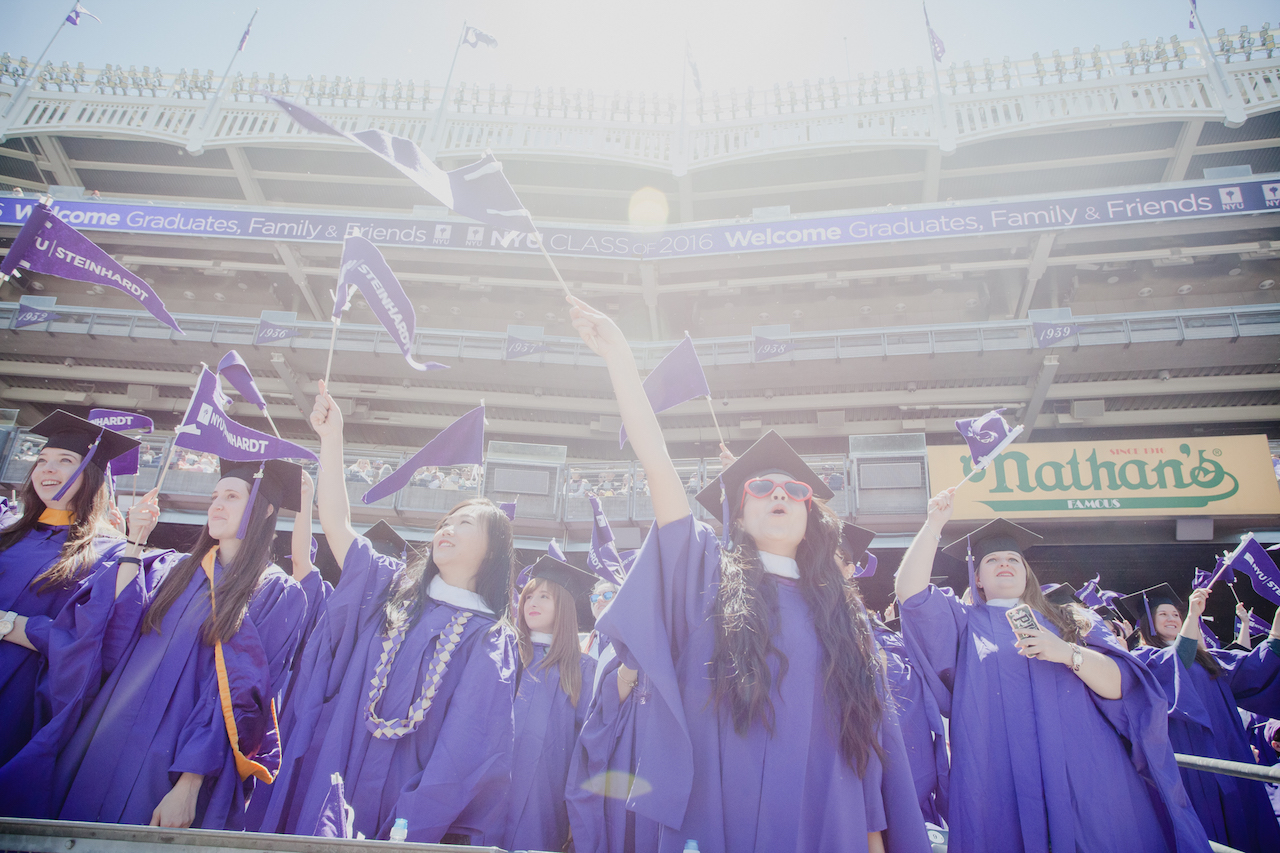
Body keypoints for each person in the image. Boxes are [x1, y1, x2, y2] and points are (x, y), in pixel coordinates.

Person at [569, 294, 929, 853]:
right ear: (738, 511)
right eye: (761, 488)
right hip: (718, 815)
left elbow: (865, 744)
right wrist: (621, 358)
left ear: (812, 513)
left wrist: (872, 837)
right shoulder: (707, 574)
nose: (778, 493)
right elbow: (658, 466)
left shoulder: (842, 617)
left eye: (794, 490)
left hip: (823, 817)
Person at [253, 380, 516, 844]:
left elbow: (468, 744)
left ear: (493, 551)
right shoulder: (389, 588)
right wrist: (331, 441)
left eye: (464, 523)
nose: (446, 529)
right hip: (335, 765)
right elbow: (337, 526)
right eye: (444, 522)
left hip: (406, 805)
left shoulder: (487, 637)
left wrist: (413, 823)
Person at [0, 456, 308, 829]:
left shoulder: (276, 591)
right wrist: (135, 542)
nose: (216, 505)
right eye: (214, 496)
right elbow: (112, 635)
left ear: (263, 510)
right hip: (108, 735)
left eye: (231, 496)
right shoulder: (173, 569)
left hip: (175, 758)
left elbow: (244, 700)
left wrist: (189, 784)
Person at [894, 495, 1211, 853]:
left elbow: (1120, 685)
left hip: (1086, 770)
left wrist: (1067, 652)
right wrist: (933, 525)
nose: (1005, 564)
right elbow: (911, 594)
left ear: (1026, 571)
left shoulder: (1070, 620)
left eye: (1013, 558)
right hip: (1001, 778)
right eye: (992, 560)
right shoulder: (964, 626)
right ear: (977, 578)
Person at [0, 411, 139, 766]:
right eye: (42, 460)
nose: (47, 468)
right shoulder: (7, 537)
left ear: (89, 475)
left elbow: (89, 640)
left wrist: (8, 624)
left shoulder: (107, 554)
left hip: (18, 693)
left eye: (65, 460)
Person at [1122, 582, 1280, 853]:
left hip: (1228, 748)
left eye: (1176, 614)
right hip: (1191, 758)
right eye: (1163, 614)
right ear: (1148, 623)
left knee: (1247, 822)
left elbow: (1250, 669)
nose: (1172, 618)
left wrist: (1276, 632)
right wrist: (1193, 616)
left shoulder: (1207, 657)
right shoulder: (1143, 659)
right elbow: (1175, 666)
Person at [506, 555, 598, 852]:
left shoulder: (582, 669)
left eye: (544, 596)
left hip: (544, 797)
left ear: (565, 606)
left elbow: (587, 746)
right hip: (492, 785)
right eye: (529, 594)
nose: (532, 601)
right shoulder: (504, 654)